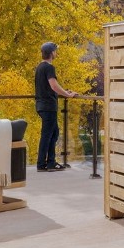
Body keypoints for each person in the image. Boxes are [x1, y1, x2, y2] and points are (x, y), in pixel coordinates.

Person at [35, 41, 78, 171]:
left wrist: (64, 91)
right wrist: (67, 95)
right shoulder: (49, 67)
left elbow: (49, 87)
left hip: (41, 105)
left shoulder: (39, 67)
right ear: (52, 53)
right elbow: (53, 85)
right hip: (48, 106)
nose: (56, 53)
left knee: (53, 133)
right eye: (55, 51)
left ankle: (50, 163)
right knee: (47, 135)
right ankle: (42, 164)